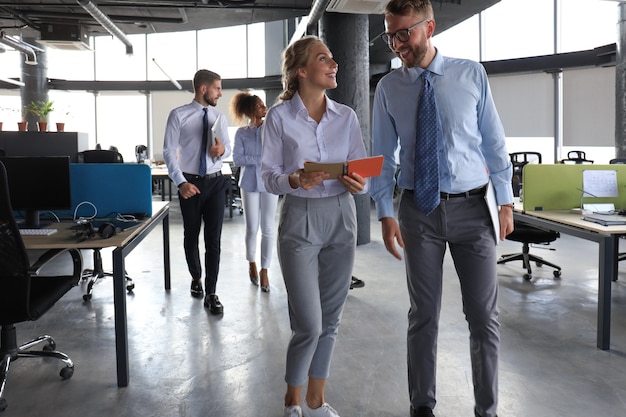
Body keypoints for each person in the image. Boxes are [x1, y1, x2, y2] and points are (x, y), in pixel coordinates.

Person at [370, 1, 514, 417]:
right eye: (390, 35)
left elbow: (493, 141)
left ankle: (486, 410)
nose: (397, 45)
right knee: (423, 315)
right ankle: (422, 406)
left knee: (484, 317)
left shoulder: (471, 75)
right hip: (419, 211)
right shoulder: (388, 88)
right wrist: (384, 211)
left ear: (429, 27)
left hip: (473, 209)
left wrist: (504, 200)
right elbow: (383, 156)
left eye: (404, 33)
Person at [261, 36, 368, 417]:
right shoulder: (279, 118)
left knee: (331, 319)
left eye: (334, 57)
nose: (334, 63)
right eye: (324, 58)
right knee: (308, 322)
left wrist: (360, 182)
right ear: (302, 70)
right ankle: (292, 401)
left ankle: (316, 401)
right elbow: (268, 176)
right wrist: (294, 180)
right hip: (299, 218)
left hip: (342, 215)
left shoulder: (347, 116)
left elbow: (361, 169)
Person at [163, 69, 231, 315]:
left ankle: (212, 292)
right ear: (204, 89)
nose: (220, 93)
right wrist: (180, 182)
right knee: (191, 235)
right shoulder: (178, 115)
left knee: (213, 240)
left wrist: (221, 150)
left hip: (215, 183)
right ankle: (196, 277)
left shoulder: (218, 117)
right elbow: (169, 151)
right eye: (217, 88)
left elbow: (228, 149)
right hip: (189, 183)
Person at [230, 92, 278, 293]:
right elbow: (238, 159)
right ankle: (252, 261)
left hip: (270, 183)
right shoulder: (242, 133)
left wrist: (258, 159)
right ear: (250, 110)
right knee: (252, 228)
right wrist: (260, 159)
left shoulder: (272, 130)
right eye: (259, 105)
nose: (264, 108)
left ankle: (265, 269)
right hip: (248, 183)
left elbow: (276, 156)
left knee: (268, 228)